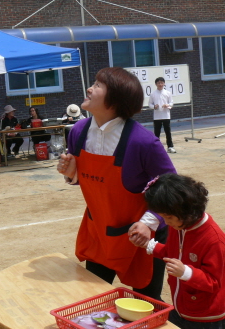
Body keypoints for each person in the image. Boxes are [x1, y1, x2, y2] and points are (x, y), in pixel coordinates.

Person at [57, 67, 176, 301]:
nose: (90, 88)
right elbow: (93, 181)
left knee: (145, 304)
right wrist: (71, 175)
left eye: (98, 85)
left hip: (141, 238)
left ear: (115, 100)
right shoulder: (78, 132)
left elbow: (172, 189)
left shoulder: (143, 142)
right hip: (100, 233)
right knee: (94, 298)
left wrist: (148, 224)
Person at [140, 173, 225, 328]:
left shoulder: (214, 240)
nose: (166, 223)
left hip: (207, 317)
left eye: (168, 218)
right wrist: (149, 245)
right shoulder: (179, 225)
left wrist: (186, 273)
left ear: (185, 211)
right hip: (181, 309)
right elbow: (173, 254)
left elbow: (214, 282)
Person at [149, 77, 176, 153]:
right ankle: (156, 147)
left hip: (166, 115)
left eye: (161, 83)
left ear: (164, 83)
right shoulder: (153, 94)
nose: (160, 84)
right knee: (157, 133)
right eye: (158, 83)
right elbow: (150, 104)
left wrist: (167, 105)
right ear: (156, 84)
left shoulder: (168, 93)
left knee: (168, 132)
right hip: (157, 116)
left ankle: (170, 147)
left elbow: (171, 103)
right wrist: (154, 106)